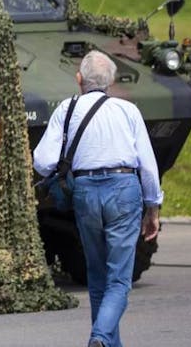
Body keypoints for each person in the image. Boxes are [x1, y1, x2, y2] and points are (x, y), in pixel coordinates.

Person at [33, 51, 162, 347]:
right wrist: (152, 208)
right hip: (124, 190)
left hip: (86, 192)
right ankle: (100, 338)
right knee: (119, 280)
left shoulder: (67, 109)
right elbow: (148, 165)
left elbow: (42, 162)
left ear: (79, 79)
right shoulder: (127, 110)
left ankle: (105, 342)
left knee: (98, 276)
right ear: (112, 80)